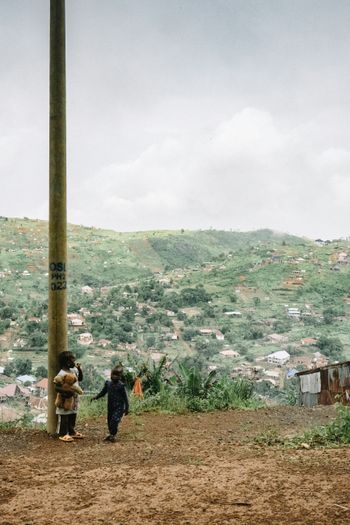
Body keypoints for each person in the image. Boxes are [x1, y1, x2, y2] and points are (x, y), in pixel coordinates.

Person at [91, 365, 129, 442]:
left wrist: (127, 408)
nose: (114, 377)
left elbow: (125, 398)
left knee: (114, 420)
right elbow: (103, 392)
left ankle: (113, 434)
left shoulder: (121, 386)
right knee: (109, 421)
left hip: (119, 407)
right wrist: (96, 397)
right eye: (113, 374)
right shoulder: (108, 384)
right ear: (110, 374)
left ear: (120, 376)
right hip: (110, 407)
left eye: (117, 375)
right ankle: (111, 435)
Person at [54, 351, 84, 442]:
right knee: (65, 416)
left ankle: (71, 431)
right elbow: (56, 387)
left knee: (73, 416)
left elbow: (80, 379)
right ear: (68, 362)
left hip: (73, 399)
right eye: (73, 360)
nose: (74, 362)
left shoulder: (74, 370)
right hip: (65, 399)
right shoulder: (61, 374)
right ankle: (63, 433)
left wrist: (79, 370)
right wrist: (68, 391)